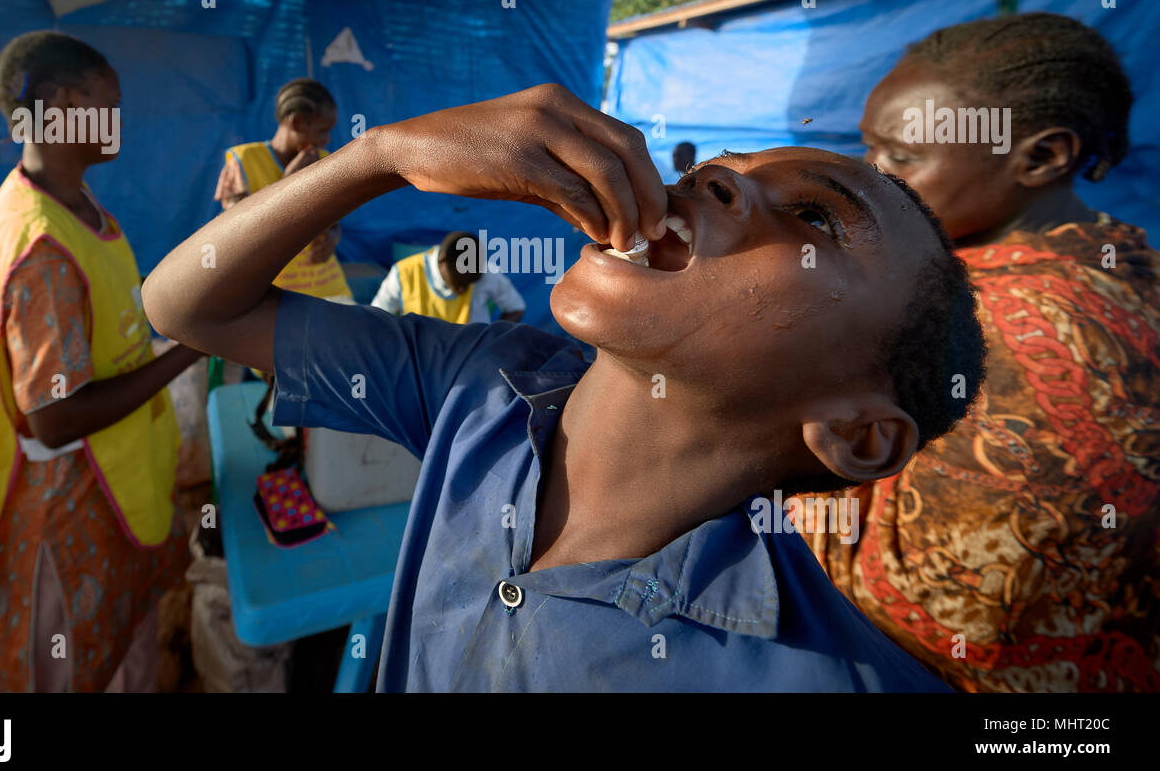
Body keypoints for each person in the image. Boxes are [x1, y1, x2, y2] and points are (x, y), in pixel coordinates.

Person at [145, 83, 986, 692]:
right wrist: (383, 155)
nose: (714, 177)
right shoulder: (481, 386)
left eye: (816, 220)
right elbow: (188, 306)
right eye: (724, 165)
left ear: (859, 434)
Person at [805, 12, 1160, 692]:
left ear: (1042, 157)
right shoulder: (1127, 262)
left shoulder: (1003, 330)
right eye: (870, 150)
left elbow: (952, 610)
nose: (871, 178)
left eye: (904, 158)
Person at [0, 31, 201, 692]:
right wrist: (189, 352)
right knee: (58, 672)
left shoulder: (77, 210)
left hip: (114, 492)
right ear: (65, 100)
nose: (119, 119)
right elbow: (53, 416)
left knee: (122, 652)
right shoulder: (41, 244)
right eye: (111, 101)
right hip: (64, 510)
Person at [214, 78, 353, 302]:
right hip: (268, 292)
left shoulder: (325, 162)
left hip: (325, 287)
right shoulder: (243, 162)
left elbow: (334, 224)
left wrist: (332, 239)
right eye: (322, 131)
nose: (327, 140)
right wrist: (288, 180)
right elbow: (238, 233)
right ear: (297, 123)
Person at [371, 230, 525, 323]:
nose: (462, 289)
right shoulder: (403, 273)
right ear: (442, 262)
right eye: (459, 282)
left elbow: (516, 308)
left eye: (470, 282)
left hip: (470, 358)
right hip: (419, 359)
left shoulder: (487, 272)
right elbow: (377, 318)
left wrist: (494, 339)